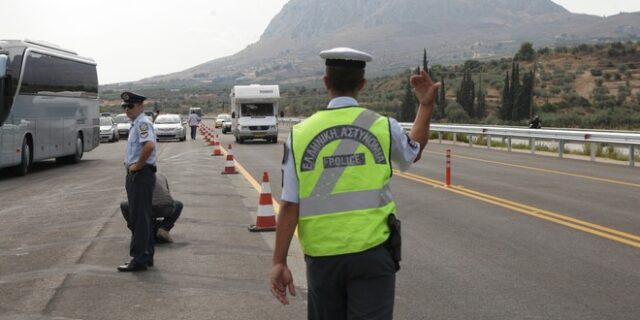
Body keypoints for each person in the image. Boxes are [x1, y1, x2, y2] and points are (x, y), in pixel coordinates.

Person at [270, 47, 440, 319]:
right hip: (372, 254)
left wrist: (279, 261)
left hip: (323, 259)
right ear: (362, 84)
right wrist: (426, 105)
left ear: (326, 82)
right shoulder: (383, 126)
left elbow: (290, 203)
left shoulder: (300, 134)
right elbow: (413, 150)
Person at [118, 91, 158, 272]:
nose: (127, 110)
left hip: (140, 176)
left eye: (130, 106)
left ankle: (139, 259)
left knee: (138, 219)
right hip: (141, 175)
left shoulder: (142, 123)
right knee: (144, 217)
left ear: (141, 106)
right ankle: (147, 255)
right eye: (125, 107)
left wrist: (137, 166)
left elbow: (149, 145)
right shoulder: (137, 123)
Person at [120, 172, 183, 243]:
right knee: (179, 205)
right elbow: (166, 195)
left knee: (124, 205)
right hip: (165, 209)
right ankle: (164, 228)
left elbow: (132, 199)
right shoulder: (161, 175)